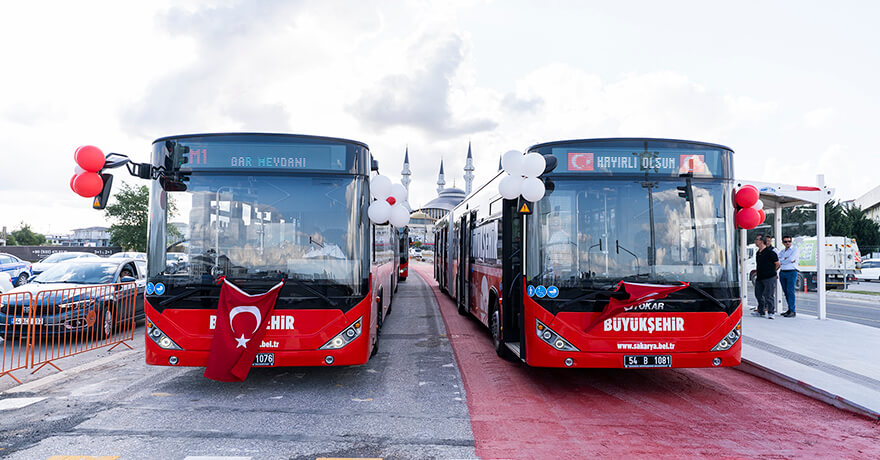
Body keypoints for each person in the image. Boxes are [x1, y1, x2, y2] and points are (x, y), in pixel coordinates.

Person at [753, 234, 780, 319]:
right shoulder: (758, 253)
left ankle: (771, 312)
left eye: (757, 239)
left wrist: (772, 271)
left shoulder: (770, 252)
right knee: (758, 294)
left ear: (761, 241)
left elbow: (778, 264)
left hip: (769, 277)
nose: (755, 241)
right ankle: (761, 311)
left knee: (769, 295)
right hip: (760, 277)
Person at [777, 235, 800, 317]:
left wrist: (784, 260)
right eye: (786, 241)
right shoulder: (782, 251)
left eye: (789, 241)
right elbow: (778, 260)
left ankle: (793, 311)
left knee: (790, 291)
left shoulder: (795, 249)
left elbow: (791, 259)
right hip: (783, 272)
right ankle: (789, 309)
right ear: (783, 242)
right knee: (786, 292)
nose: (788, 243)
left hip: (791, 272)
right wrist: (785, 259)